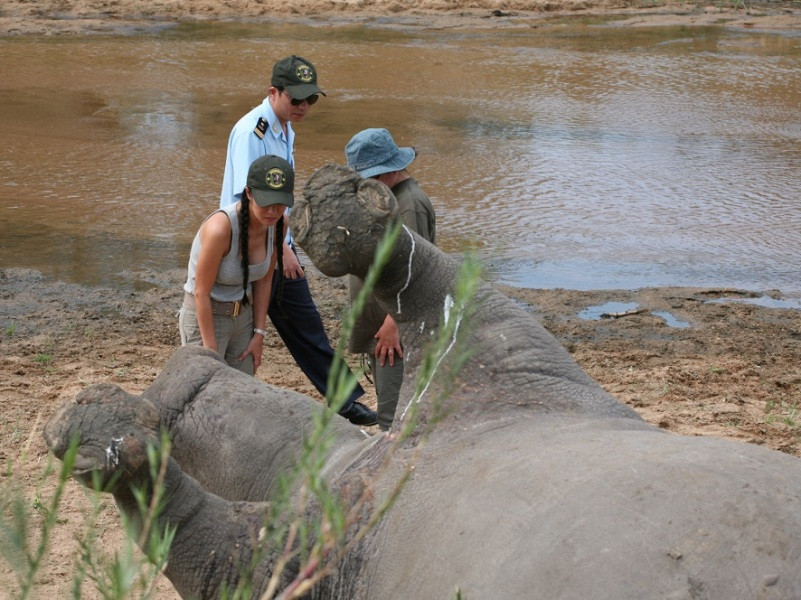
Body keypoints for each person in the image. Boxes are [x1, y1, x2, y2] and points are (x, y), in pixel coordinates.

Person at [219, 55, 377, 425]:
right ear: (273, 92)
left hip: (272, 238)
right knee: (237, 329)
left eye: (311, 100)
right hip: (245, 243)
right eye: (297, 99)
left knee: (303, 322)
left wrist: (285, 244)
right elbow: (251, 199)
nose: (304, 106)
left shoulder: (285, 127)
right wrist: (282, 250)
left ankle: (344, 401)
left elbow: (281, 197)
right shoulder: (251, 133)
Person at [344, 128, 437, 431]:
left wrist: (392, 324)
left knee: (394, 421)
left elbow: (415, 271)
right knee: (393, 412)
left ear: (389, 171)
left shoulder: (409, 205)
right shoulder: (387, 198)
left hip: (397, 332)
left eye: (368, 177)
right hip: (384, 328)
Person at [180, 155, 291, 376]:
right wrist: (210, 349)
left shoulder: (280, 224)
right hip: (205, 316)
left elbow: (265, 279)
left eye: (280, 203)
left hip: (243, 318)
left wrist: (259, 332)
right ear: (249, 193)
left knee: (242, 392)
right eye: (266, 202)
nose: (272, 212)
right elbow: (201, 291)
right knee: (205, 391)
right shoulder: (221, 228)